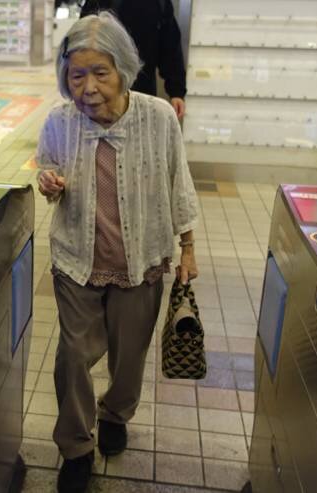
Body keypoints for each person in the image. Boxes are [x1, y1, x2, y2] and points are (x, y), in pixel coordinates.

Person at [35, 12, 198, 493]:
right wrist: (49, 182)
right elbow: (47, 169)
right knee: (72, 356)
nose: (88, 88)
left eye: (100, 73)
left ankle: (115, 413)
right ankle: (76, 448)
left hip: (140, 259)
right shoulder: (59, 121)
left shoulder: (158, 117)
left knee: (128, 359)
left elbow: (179, 183)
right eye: (76, 75)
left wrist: (188, 248)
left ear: (123, 68)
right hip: (77, 259)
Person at [79, 0, 187, 119]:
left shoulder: (159, 3)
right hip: (101, 87)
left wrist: (176, 91)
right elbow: (82, 41)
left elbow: (170, 45)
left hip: (143, 88)